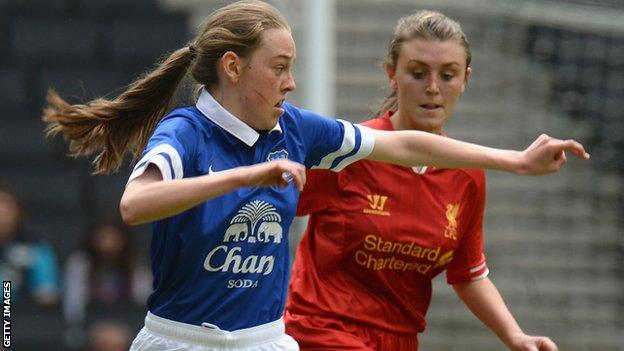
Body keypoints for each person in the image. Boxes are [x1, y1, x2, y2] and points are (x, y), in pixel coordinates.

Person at [42, 1, 588, 350]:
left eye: (447, 75)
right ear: (234, 68)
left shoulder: (300, 132)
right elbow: (136, 206)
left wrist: (515, 161)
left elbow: (406, 147)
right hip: (215, 338)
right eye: (280, 68)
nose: (292, 83)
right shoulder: (187, 133)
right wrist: (245, 179)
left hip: (271, 341)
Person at [285, 10, 561, 351]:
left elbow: (469, 273)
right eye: (418, 73)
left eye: (447, 75)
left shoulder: (467, 174)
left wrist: (515, 336)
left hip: (401, 340)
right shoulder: (351, 150)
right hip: (322, 330)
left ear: (466, 80)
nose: (433, 88)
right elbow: (274, 209)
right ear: (392, 74)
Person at [63, 217, 151, 348]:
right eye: (103, 238)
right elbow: (74, 303)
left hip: (127, 320)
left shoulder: (135, 264)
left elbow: (145, 300)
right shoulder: (80, 263)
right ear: (93, 239)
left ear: (123, 240)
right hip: (92, 319)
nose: (108, 245)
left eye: (114, 239)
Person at [0, 184, 60, 305]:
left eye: (6, 212)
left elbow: (48, 293)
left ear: (17, 214)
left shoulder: (35, 249)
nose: (2, 219)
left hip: (23, 318)